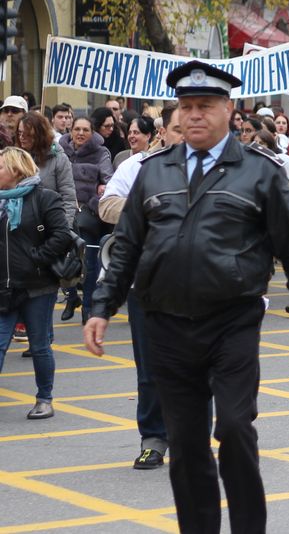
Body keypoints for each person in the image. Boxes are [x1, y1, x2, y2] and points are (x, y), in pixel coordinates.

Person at [85, 61, 289, 533]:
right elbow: (128, 246)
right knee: (187, 443)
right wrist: (101, 307)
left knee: (235, 428)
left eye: (206, 106)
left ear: (228, 110)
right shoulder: (152, 173)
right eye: (187, 107)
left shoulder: (260, 172)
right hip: (166, 324)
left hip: (231, 321)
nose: (195, 115)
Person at [98, 104, 184, 469]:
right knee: (150, 367)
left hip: (203, 287)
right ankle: (153, 438)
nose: (189, 133)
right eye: (179, 127)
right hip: (146, 285)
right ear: (163, 132)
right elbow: (106, 205)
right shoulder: (136, 167)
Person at [0, 147, 72, 420]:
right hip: (5, 286)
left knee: (40, 345)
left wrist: (38, 258)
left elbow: (61, 234)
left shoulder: (44, 198)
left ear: (16, 171)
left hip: (37, 286)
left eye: (0, 167)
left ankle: (45, 399)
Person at [60, 116, 113, 322]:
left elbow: (109, 181)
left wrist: (98, 194)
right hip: (63, 213)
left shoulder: (101, 153)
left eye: (85, 130)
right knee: (63, 261)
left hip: (88, 215)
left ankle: (88, 306)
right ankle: (72, 297)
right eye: (77, 129)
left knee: (89, 263)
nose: (80, 133)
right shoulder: (60, 151)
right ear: (71, 131)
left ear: (93, 133)